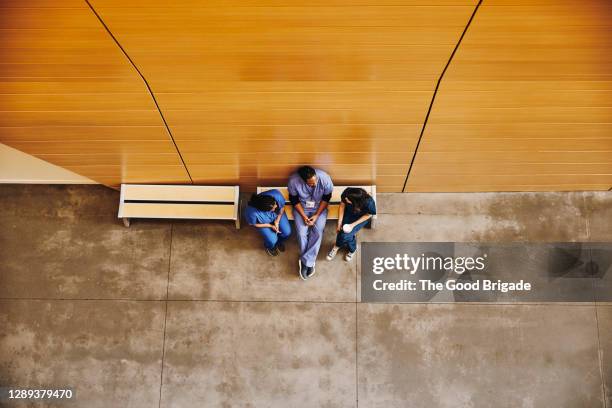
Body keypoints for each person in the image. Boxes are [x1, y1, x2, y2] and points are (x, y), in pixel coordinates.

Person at [287, 166, 333, 280]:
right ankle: (309, 261)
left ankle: (306, 262)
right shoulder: (293, 181)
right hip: (302, 208)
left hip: (319, 207)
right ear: (303, 180)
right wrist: (304, 217)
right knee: (302, 233)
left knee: (318, 232)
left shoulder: (324, 178)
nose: (315, 184)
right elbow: (294, 200)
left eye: (315, 181)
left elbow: (326, 198)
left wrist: (316, 215)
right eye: (311, 184)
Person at [326, 187, 376, 262]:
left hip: (361, 217)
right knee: (342, 231)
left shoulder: (369, 203)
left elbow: (369, 215)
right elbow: (342, 205)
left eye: (348, 200)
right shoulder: (347, 192)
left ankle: (350, 249)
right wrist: (339, 223)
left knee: (346, 235)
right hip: (349, 213)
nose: (346, 200)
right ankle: (339, 246)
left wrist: (353, 225)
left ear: (356, 202)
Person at [244, 189, 291, 257]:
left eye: (275, 204)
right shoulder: (251, 212)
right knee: (272, 240)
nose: (276, 206)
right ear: (265, 210)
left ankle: (279, 241)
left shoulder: (276, 195)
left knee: (287, 232)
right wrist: (270, 225)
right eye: (273, 209)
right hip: (263, 222)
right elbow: (253, 224)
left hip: (277, 216)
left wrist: (277, 221)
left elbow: (282, 207)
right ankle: (270, 246)